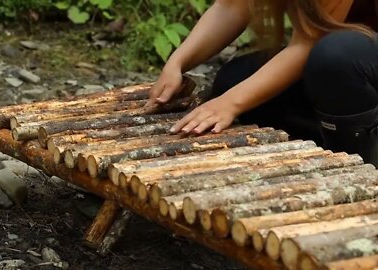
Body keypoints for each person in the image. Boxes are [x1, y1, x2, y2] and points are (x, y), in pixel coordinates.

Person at [147, 0, 378, 166]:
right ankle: (330, 140)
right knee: (233, 80)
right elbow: (231, 6)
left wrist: (230, 104)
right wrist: (177, 62)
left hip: (352, 58)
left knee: (333, 57)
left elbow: (306, 44)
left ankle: (362, 165)